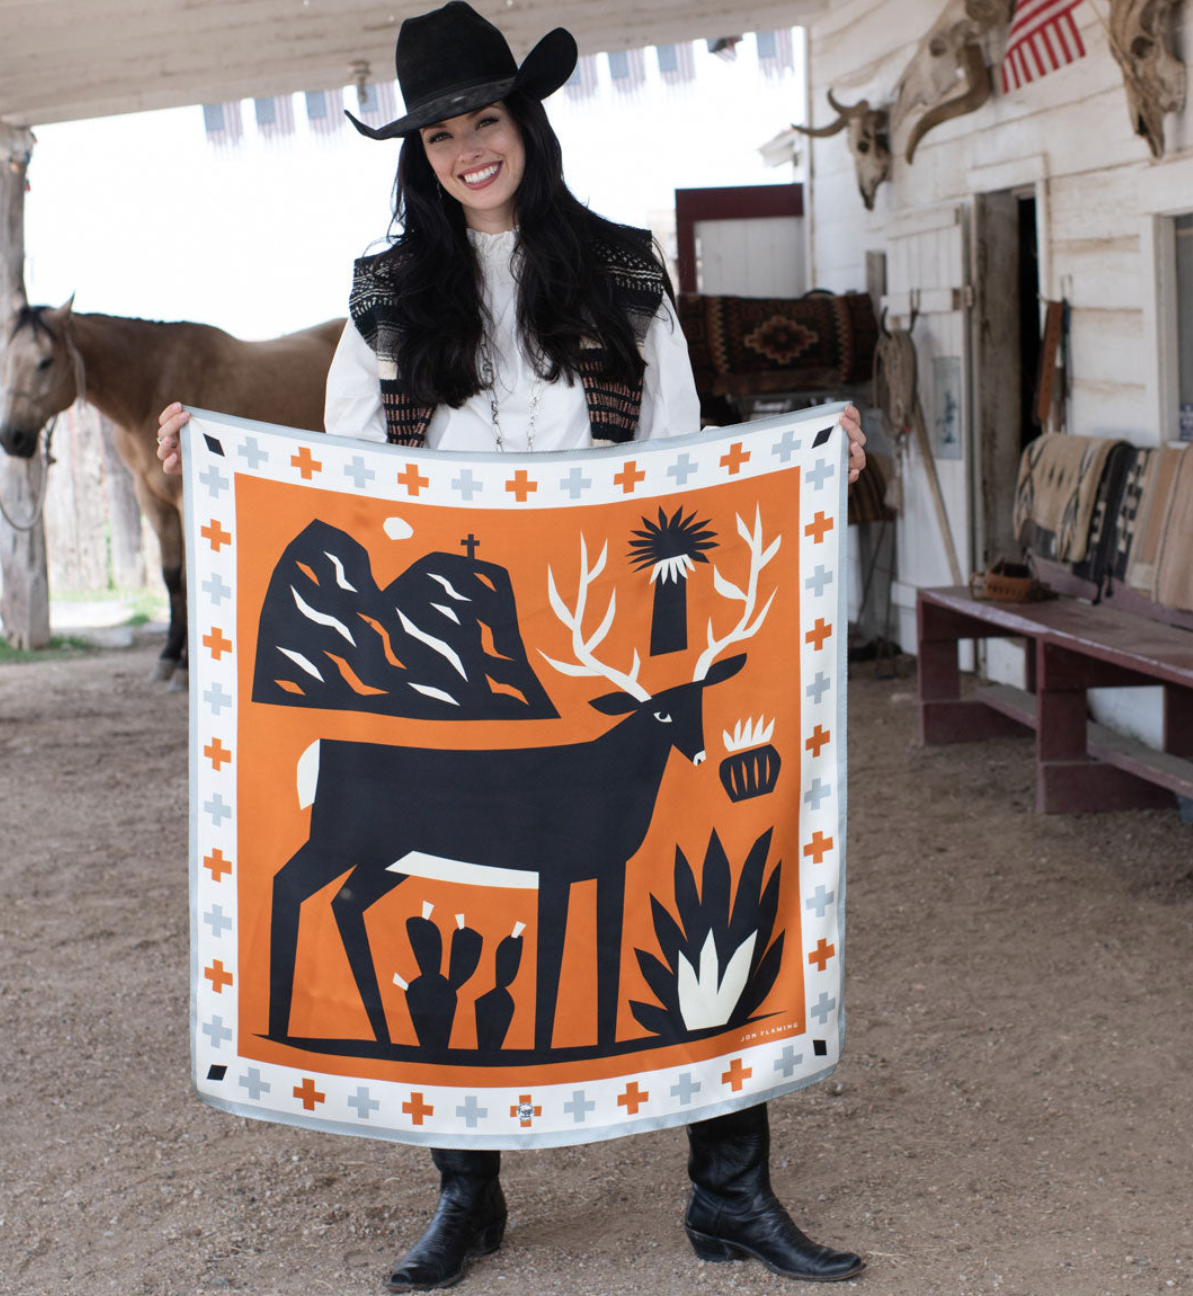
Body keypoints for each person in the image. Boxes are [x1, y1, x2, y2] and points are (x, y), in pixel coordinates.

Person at [158, 4, 867, 1289]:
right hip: (463, 660)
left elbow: (688, 461)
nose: (466, 149)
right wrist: (211, 461)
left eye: (483, 120)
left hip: (604, 646)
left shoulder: (627, 271)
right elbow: (343, 482)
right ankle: (467, 1193)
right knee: (442, 899)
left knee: (687, 871)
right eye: (438, 133)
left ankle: (731, 1193)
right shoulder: (384, 301)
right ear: (415, 154)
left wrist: (810, 458)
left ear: (524, 123)